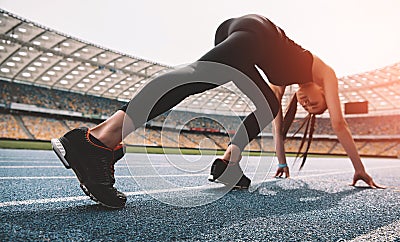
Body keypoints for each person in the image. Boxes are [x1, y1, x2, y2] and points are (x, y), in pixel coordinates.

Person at [52, 14, 382, 209]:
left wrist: (280, 161)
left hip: (246, 34)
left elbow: (272, 115)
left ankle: (227, 164)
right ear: (324, 90)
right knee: (195, 76)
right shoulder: (324, 71)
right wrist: (360, 169)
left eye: (312, 109)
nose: (311, 105)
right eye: (316, 103)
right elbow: (339, 124)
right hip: (258, 34)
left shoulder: (289, 77)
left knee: (265, 102)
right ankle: (97, 140)